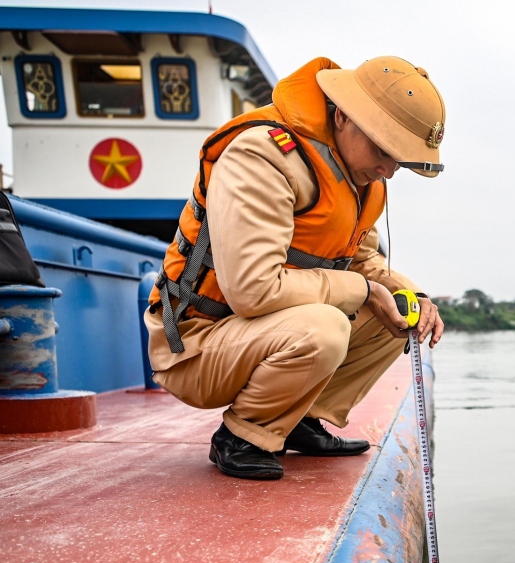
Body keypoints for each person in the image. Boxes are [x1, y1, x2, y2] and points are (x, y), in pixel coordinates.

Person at [145, 56, 446, 480]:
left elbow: (364, 261)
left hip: (260, 332)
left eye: (402, 160)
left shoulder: (359, 176)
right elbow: (254, 291)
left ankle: (300, 419)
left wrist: (410, 294)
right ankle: (245, 436)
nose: (389, 171)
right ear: (342, 115)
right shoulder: (263, 155)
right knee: (324, 327)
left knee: (395, 311)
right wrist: (364, 291)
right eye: (384, 149)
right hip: (197, 344)